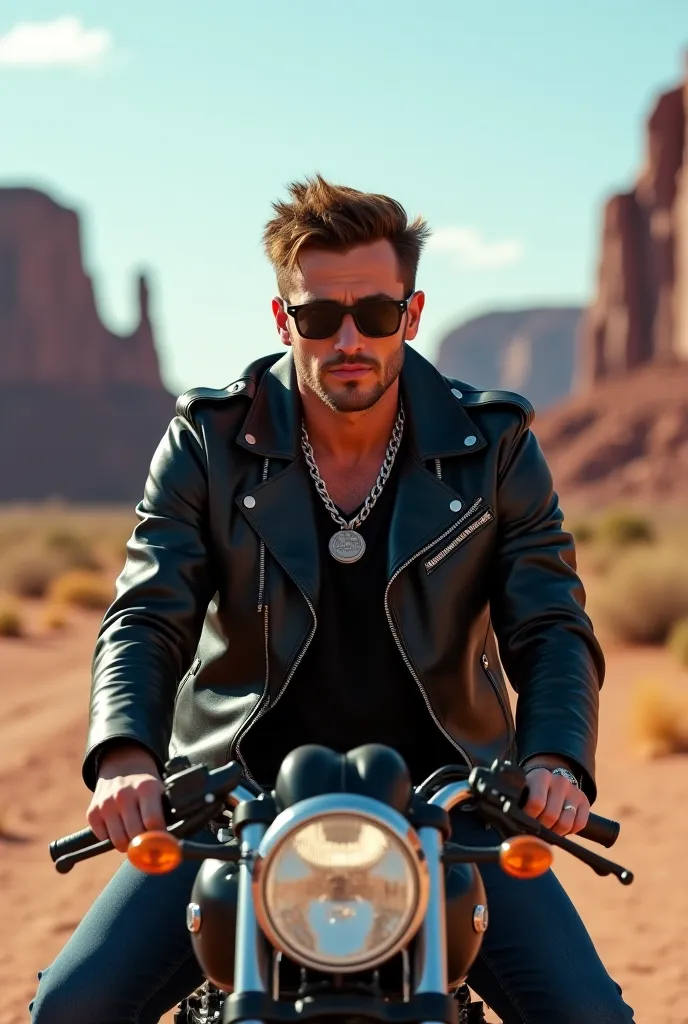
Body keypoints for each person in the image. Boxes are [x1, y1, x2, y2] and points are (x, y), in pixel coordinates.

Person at [30, 175, 634, 1023]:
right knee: (72, 1006)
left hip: (449, 799)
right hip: (235, 796)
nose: (348, 339)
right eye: (318, 318)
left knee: (588, 1016)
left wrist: (554, 759)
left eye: (375, 315)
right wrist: (127, 751)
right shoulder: (209, 440)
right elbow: (148, 609)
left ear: (411, 315)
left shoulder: (493, 444)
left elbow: (550, 623)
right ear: (284, 320)